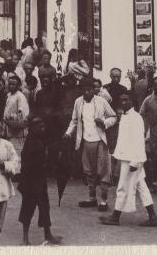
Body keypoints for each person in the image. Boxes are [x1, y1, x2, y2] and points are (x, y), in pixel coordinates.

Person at [99, 92, 157, 227]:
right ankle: (153, 217)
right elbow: (123, 140)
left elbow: (139, 141)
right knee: (142, 187)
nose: (123, 102)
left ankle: (115, 216)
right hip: (126, 157)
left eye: (126, 100)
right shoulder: (125, 117)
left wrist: (135, 162)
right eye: (121, 100)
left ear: (132, 101)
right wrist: (116, 156)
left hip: (133, 159)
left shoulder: (136, 118)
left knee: (122, 188)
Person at [63, 77, 116, 212]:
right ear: (81, 90)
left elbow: (113, 117)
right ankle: (92, 198)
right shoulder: (78, 102)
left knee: (103, 170)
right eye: (84, 90)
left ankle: (103, 200)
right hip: (86, 140)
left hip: (100, 141)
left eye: (90, 90)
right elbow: (74, 121)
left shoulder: (101, 101)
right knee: (88, 170)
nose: (87, 92)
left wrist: (104, 123)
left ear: (94, 90)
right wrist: (68, 133)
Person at [18, 117, 62, 245]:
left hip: (40, 180)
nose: (43, 128)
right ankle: (25, 238)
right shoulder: (30, 143)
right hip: (30, 182)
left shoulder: (39, 140)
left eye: (43, 125)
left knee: (44, 208)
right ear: (31, 128)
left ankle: (48, 235)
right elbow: (28, 166)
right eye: (39, 126)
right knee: (27, 208)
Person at [3, 75, 30, 159]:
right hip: (9, 130)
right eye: (10, 84)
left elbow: (23, 115)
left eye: (13, 84)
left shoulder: (20, 97)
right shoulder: (9, 95)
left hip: (18, 132)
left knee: (17, 154)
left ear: (18, 86)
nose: (11, 86)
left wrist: (10, 117)